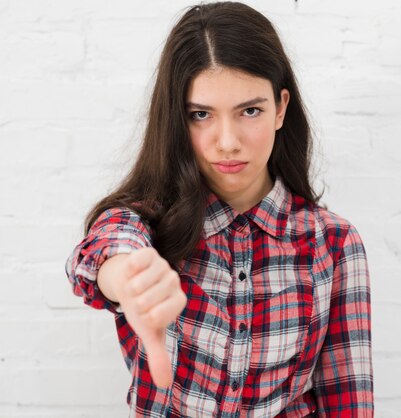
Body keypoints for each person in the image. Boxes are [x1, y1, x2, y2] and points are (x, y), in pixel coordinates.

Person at [65, 2, 373, 417]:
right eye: (201, 115)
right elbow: (105, 250)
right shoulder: (146, 226)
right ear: (177, 117)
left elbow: (348, 402)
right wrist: (127, 277)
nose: (227, 141)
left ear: (281, 107)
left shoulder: (333, 244)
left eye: (250, 110)